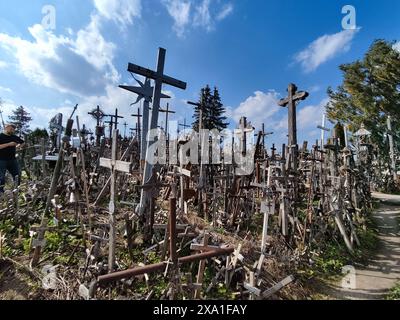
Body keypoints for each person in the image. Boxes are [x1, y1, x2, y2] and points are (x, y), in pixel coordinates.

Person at [0, 124, 25, 193]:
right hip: (1, 160)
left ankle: (17, 190)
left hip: (12, 159)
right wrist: (9, 144)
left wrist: (18, 146)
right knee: (1, 177)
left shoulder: (14, 137)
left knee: (17, 175)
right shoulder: (1, 136)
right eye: (11, 129)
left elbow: (22, 142)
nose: (12, 130)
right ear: (6, 128)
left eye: (13, 129)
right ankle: (1, 193)